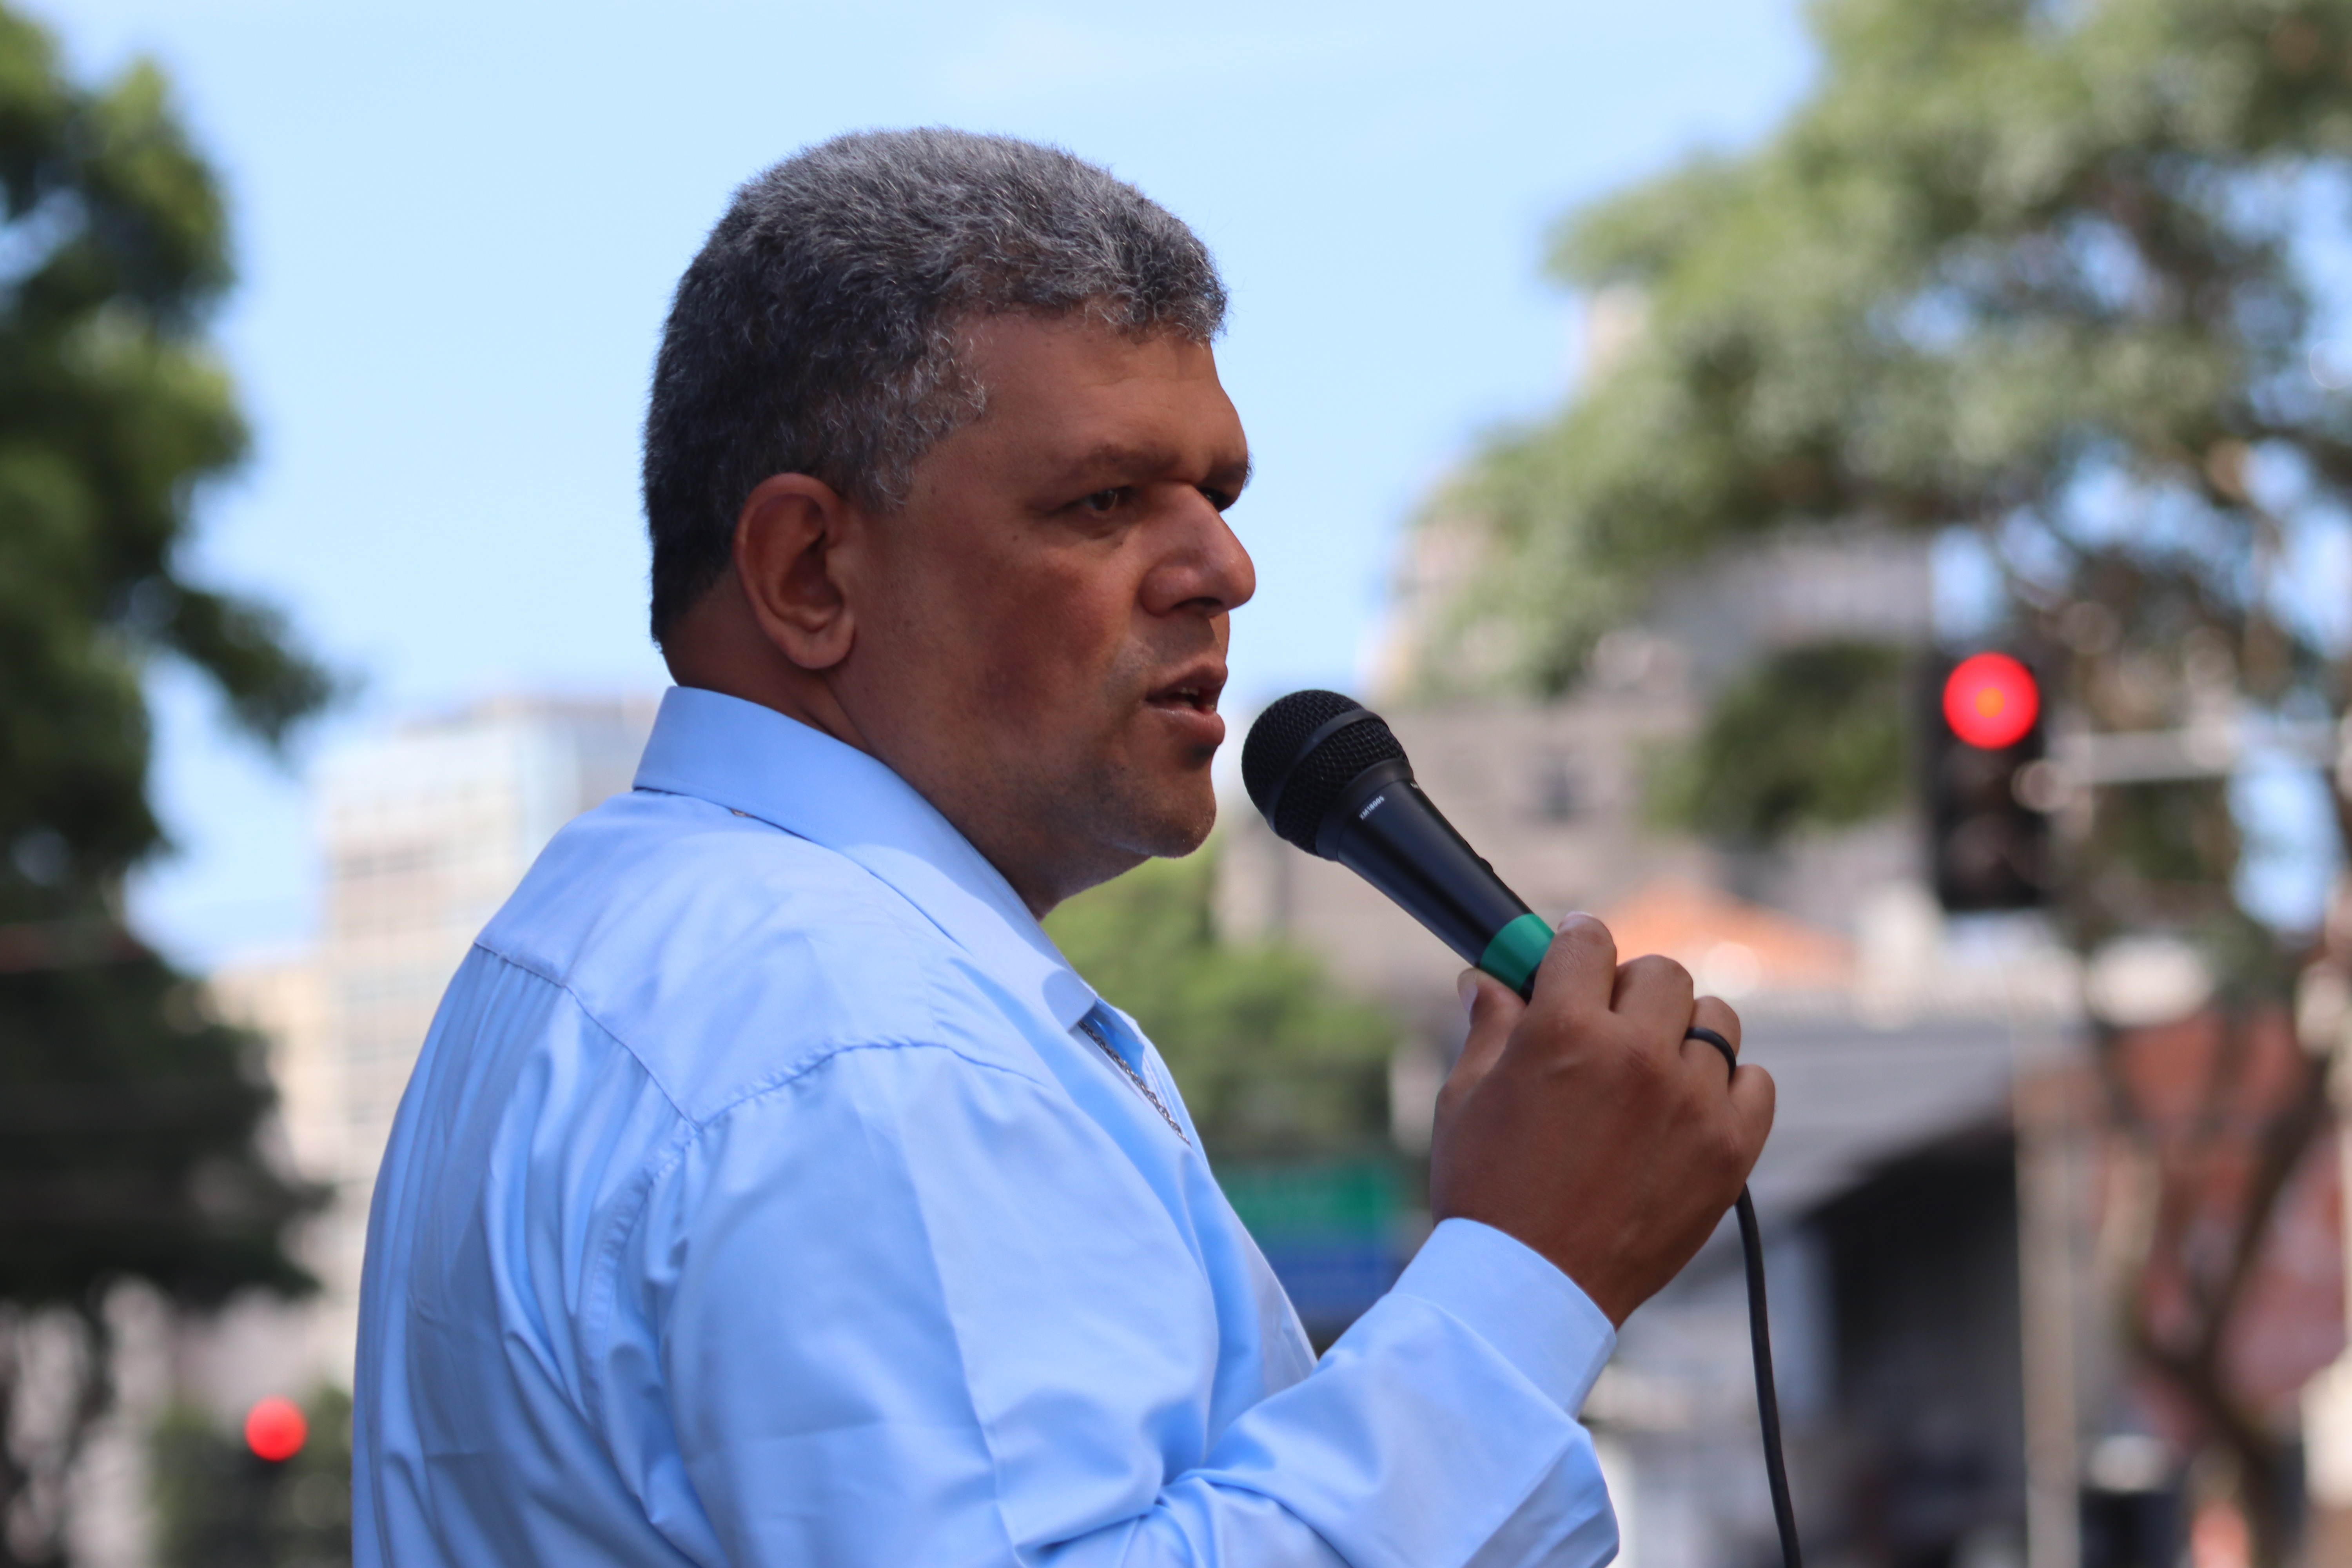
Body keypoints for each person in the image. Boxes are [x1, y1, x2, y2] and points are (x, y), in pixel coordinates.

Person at [352, 128, 1775, 1567]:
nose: (1224, 570)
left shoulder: (588, 945)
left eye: (1218, 496)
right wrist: (1524, 1277)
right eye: (1103, 502)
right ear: (809, 572)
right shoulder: (862, 1034)